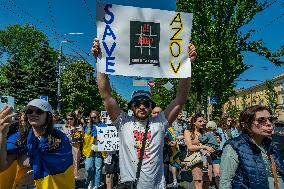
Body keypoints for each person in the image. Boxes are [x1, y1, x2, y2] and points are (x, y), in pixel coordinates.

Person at [91, 39, 197, 188]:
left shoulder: (160, 123)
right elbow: (106, 96)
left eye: (146, 104)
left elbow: (180, 98)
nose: (142, 106)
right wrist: (99, 61)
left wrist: (187, 65)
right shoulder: (123, 122)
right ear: (132, 107)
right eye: (137, 103)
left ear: (151, 106)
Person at [0, 99, 74, 189]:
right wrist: (2, 135)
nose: (33, 114)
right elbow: (2, 166)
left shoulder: (60, 139)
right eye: (29, 111)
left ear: (48, 116)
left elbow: (65, 170)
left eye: (39, 111)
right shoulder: (19, 138)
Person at [220, 105, 284, 188]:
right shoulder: (235, 146)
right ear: (245, 124)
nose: (268, 123)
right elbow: (225, 183)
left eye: (270, 119)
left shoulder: (272, 144)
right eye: (261, 120)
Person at [184, 113, 215, 189]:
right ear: (194, 122)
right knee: (198, 182)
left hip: (207, 159)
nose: (202, 123)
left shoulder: (205, 132)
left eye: (203, 121)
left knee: (207, 182)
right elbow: (190, 147)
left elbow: (211, 145)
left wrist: (212, 147)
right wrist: (204, 147)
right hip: (196, 160)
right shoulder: (188, 132)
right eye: (200, 121)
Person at [82, 110, 107, 189]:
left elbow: (107, 137)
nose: (94, 119)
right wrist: (92, 136)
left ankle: (97, 184)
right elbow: (85, 138)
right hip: (90, 148)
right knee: (89, 167)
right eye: (92, 117)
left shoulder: (104, 125)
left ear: (98, 116)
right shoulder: (88, 126)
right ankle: (90, 180)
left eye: (95, 117)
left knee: (98, 167)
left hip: (100, 149)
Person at [62, 112, 83, 179]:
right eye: (68, 119)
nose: (69, 120)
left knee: (75, 163)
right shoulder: (64, 127)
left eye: (71, 118)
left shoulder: (79, 127)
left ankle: (74, 180)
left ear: (74, 119)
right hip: (66, 148)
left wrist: (75, 132)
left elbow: (81, 137)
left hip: (76, 147)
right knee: (66, 164)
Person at [171, 112, 188, 187]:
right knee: (174, 162)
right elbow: (169, 133)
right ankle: (174, 180)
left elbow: (187, 133)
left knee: (182, 162)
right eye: (179, 114)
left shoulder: (184, 124)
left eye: (181, 114)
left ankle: (178, 172)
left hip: (183, 145)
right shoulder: (172, 123)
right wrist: (176, 138)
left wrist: (184, 137)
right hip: (175, 145)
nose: (181, 115)